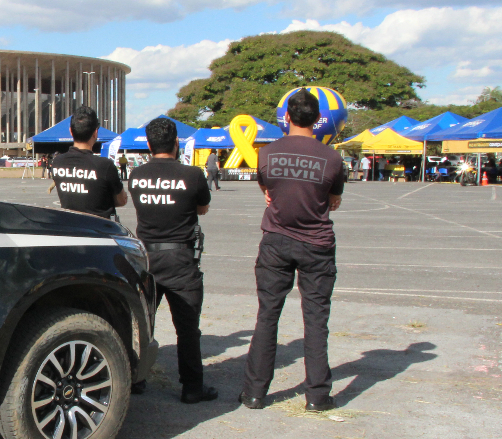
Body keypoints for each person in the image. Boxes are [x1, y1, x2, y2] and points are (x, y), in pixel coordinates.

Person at [240, 88, 347, 412]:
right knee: (315, 319)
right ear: (318, 119)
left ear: (286, 116)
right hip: (316, 243)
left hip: (276, 240)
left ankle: (255, 393)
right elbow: (334, 200)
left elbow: (266, 186)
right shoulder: (332, 158)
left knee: (267, 315)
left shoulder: (267, 153)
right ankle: (317, 395)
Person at [127, 117, 215, 402]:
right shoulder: (192, 174)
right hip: (180, 257)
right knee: (187, 328)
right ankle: (192, 387)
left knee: (141, 323)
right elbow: (203, 207)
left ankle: (135, 378)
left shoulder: (136, 175)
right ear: (176, 142)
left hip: (146, 257)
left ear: (149, 144)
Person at [50, 105, 126, 219]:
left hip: (69, 225)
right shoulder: (104, 165)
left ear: (71, 131)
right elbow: (121, 200)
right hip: (98, 226)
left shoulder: (58, 162)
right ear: (95, 133)